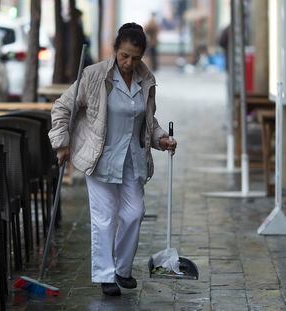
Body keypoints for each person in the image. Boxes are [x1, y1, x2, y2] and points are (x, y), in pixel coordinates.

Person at [48, 22, 177, 296]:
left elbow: (147, 120)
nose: (129, 63)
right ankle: (106, 275)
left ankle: (121, 268)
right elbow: (62, 107)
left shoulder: (146, 79)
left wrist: (161, 139)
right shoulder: (94, 76)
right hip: (100, 157)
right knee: (104, 218)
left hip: (132, 158)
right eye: (124, 56)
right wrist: (61, 144)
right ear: (115, 49)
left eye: (136, 57)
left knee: (134, 213)